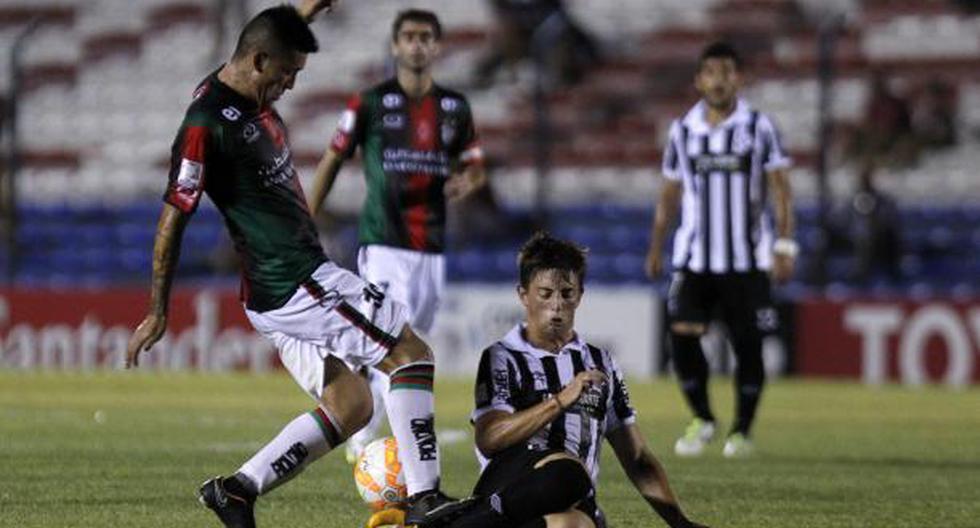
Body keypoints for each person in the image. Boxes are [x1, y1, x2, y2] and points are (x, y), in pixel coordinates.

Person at [125, 3, 459, 527]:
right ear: (258, 62)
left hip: (272, 292)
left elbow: (274, 31)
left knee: (351, 404)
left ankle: (236, 490)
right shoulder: (204, 125)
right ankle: (424, 500)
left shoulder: (244, 76)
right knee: (410, 356)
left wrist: (309, 7)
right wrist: (157, 309)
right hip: (297, 281)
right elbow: (172, 220)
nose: (290, 86)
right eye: (286, 74)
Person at [427, 232, 708, 528]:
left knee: (579, 524)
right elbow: (489, 438)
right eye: (545, 294)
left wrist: (682, 524)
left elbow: (637, 459)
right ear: (523, 295)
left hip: (572, 498)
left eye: (566, 293)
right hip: (511, 485)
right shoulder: (503, 356)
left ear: (580, 295)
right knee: (567, 472)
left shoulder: (601, 363)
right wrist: (560, 400)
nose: (557, 305)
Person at [308, 8, 487, 463]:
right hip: (383, 240)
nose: (417, 44)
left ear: (438, 46)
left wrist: (469, 181)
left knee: (412, 337)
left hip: (431, 245)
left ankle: (363, 422)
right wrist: (308, 214)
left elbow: (475, 165)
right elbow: (332, 157)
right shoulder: (368, 103)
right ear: (394, 46)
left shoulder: (455, 108)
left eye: (426, 37)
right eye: (409, 36)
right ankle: (370, 439)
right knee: (393, 339)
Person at [644, 42, 796, 458]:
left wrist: (784, 244)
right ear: (698, 80)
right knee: (682, 335)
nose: (718, 79)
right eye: (710, 72)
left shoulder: (759, 127)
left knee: (748, 344)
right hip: (694, 258)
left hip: (746, 259)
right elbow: (669, 193)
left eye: (726, 71)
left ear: (738, 78)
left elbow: (781, 190)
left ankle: (742, 430)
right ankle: (703, 418)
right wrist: (656, 245)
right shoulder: (682, 130)